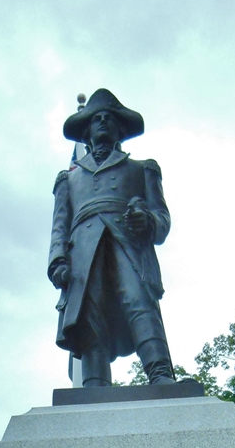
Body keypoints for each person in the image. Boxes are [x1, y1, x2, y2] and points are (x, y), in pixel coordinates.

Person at [48, 89, 175, 387]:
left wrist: (147, 221)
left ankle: (160, 373)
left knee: (138, 303)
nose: (103, 122)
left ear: (120, 129)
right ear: (87, 131)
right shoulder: (68, 179)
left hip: (128, 244)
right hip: (83, 252)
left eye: (109, 118)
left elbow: (162, 221)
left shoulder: (142, 170)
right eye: (96, 119)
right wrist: (57, 261)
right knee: (89, 313)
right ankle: (93, 384)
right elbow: (59, 225)